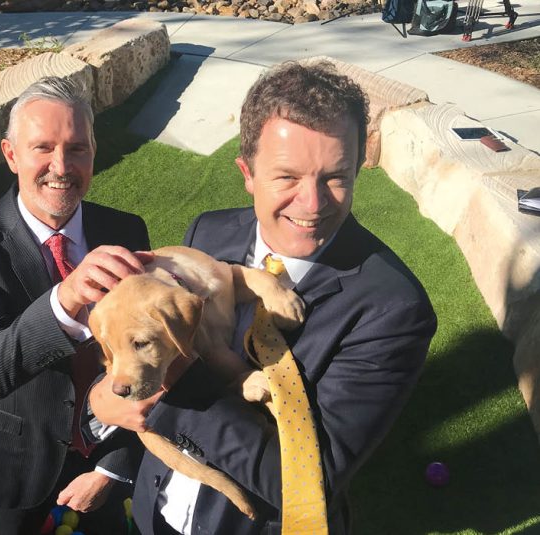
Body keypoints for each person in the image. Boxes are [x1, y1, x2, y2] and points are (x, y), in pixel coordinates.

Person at [91, 61, 438, 534]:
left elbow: (305, 481)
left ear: (359, 167)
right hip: (157, 513)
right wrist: (102, 397)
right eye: (287, 177)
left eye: (336, 177)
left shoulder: (392, 309)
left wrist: (174, 389)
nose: (313, 205)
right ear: (247, 173)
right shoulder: (207, 235)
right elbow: (133, 349)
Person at [0, 76, 152, 535]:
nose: (61, 166)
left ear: (94, 151)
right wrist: (68, 295)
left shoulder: (126, 231)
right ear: (11, 154)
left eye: (77, 148)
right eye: (43, 148)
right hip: (14, 455)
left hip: (104, 448)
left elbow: (150, 360)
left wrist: (113, 466)